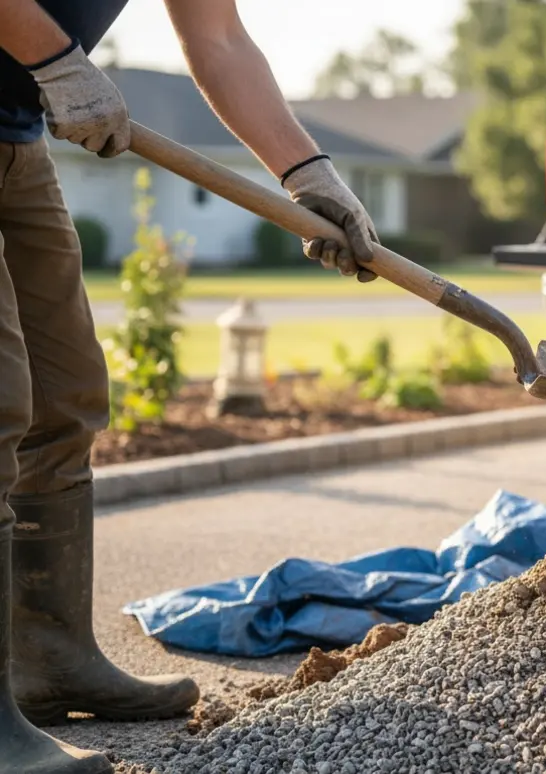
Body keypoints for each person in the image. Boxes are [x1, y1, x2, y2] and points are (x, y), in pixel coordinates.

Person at [0, 1, 381, 771]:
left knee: (64, 394)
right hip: (29, 91)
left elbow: (219, 37)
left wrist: (307, 173)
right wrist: (56, 60)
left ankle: (50, 659)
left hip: (14, 134)